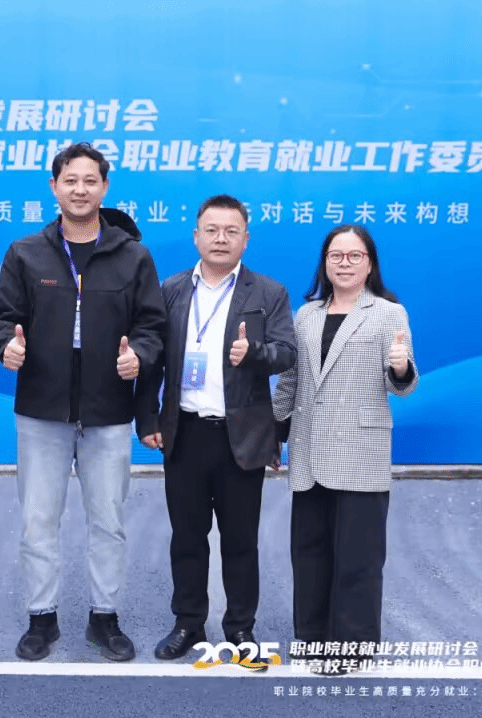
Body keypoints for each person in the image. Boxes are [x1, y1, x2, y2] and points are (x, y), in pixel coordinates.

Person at [0, 142, 165, 662]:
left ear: (104, 187)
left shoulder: (132, 256)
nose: (80, 189)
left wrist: (138, 354)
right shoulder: (26, 252)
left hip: (107, 410)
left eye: (90, 180)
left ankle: (103, 618)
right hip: (41, 408)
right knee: (38, 521)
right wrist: (7, 347)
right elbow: (4, 319)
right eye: (70, 180)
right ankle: (41, 618)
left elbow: (152, 325)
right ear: (54, 187)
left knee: (107, 521)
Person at [136, 194, 296, 664]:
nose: (220, 239)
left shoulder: (268, 293)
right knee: (187, 537)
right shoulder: (170, 290)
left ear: (246, 238)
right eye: (212, 230)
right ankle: (188, 623)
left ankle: (240, 627)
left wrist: (256, 354)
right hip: (184, 432)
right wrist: (147, 417)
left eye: (231, 231)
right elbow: (151, 361)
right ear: (196, 236)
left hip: (240, 436)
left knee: (240, 540)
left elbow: (288, 354)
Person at [271, 223, 418, 675]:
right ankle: (312, 639)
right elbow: (292, 380)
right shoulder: (306, 315)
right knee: (310, 554)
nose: (345, 263)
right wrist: (273, 434)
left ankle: (350, 647)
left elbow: (403, 384)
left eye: (355, 256)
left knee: (358, 558)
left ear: (370, 264)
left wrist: (400, 367)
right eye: (336, 256)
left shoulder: (389, 313)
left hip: (360, 449)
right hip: (309, 450)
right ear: (325, 264)